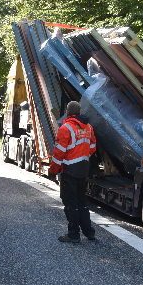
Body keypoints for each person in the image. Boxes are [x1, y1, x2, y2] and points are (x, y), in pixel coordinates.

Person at [49, 101, 97, 243]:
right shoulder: (88, 127)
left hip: (69, 170)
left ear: (68, 112)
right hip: (83, 169)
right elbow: (93, 146)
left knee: (71, 203)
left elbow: (59, 153)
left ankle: (73, 234)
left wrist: (53, 170)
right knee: (82, 202)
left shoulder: (65, 128)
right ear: (79, 112)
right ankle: (89, 232)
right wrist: (83, 154)